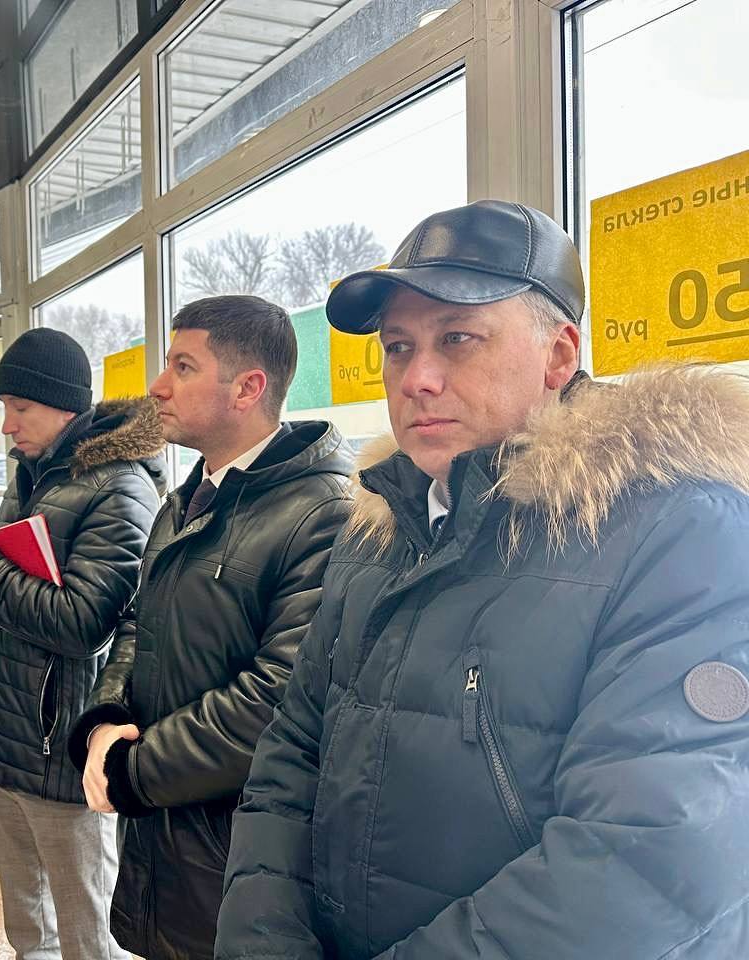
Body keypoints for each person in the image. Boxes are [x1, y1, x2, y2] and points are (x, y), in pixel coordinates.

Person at [215, 200, 749, 959]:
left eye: (457, 338)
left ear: (557, 355)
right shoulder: (378, 528)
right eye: (398, 347)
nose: (417, 379)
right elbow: (291, 753)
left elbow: (648, 859)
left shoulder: (680, 532)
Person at [68, 295, 355, 960]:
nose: (157, 386)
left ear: (247, 388)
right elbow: (138, 623)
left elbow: (279, 698)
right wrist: (107, 719)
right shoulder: (188, 499)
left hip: (239, 854)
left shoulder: (323, 512)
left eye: (183, 367)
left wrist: (134, 770)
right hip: (165, 840)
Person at [0, 329, 166, 960]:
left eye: (20, 408)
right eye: (4, 407)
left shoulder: (120, 487)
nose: (7, 425)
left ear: (63, 406)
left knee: (88, 926)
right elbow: (15, 594)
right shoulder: (31, 477)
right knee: (26, 920)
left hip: (65, 742)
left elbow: (83, 625)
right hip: (10, 730)